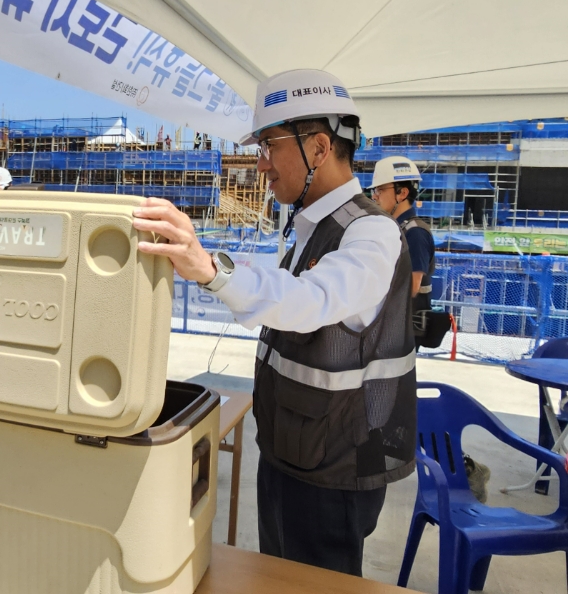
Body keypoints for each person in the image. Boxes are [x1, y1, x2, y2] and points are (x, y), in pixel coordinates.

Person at [133, 69, 416, 577]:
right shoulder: (313, 227)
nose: (260, 165)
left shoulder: (371, 233)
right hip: (293, 454)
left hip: (334, 474)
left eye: (269, 145)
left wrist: (210, 268)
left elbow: (309, 301)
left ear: (321, 146)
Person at [370, 156, 442, 348]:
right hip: (392, 327)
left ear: (402, 193)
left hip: (402, 332)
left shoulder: (415, 232)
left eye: (379, 189)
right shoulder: (396, 228)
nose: (374, 196)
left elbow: (413, 285)